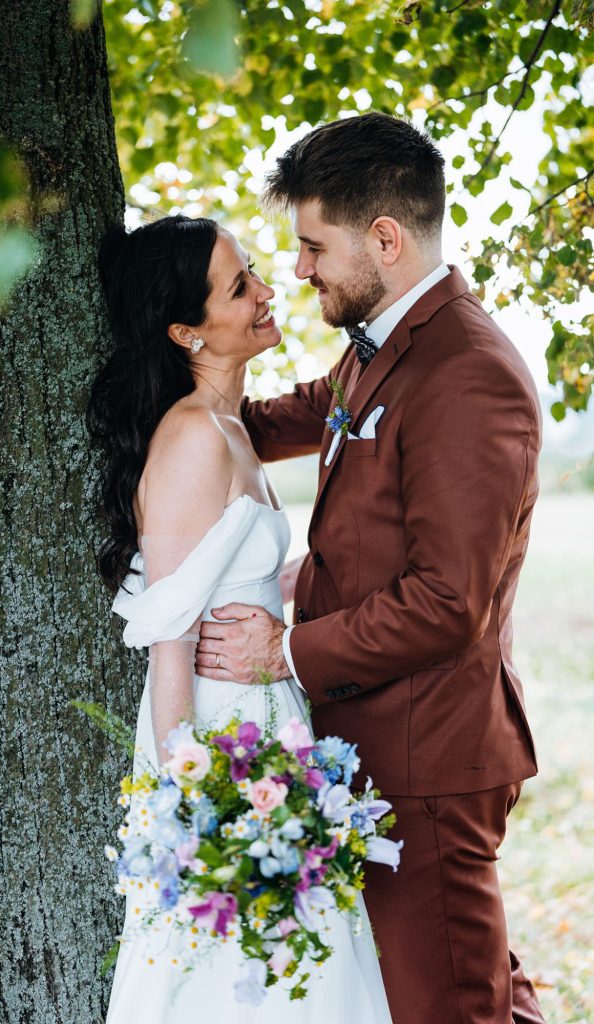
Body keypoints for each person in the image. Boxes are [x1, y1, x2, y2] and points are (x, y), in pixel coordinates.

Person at [194, 112, 546, 1024]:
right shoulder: (381, 350)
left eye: (314, 247)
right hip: (377, 742)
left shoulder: (468, 373)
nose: (298, 270)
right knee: (466, 981)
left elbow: (448, 600)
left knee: (449, 1005)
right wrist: (189, 395)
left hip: (427, 756)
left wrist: (283, 653)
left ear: (385, 239)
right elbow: (277, 421)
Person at [87, 213, 394, 1024]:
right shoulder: (192, 437)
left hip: (271, 730)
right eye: (238, 287)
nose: (266, 292)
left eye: (253, 271)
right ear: (186, 331)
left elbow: (234, 577)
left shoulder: (229, 428)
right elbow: (169, 647)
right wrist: (192, 814)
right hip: (221, 751)